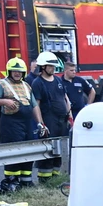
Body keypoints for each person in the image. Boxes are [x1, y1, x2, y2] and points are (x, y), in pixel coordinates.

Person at [0, 57, 44, 188]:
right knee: (13, 151)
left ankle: (26, 180)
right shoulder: (1, 84)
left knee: (29, 151)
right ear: (9, 71)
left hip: (27, 123)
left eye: (20, 71)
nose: (17, 73)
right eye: (14, 71)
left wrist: (40, 123)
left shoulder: (26, 85)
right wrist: (5, 101)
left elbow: (34, 105)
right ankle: (12, 180)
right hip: (10, 124)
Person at [30, 51, 71, 181]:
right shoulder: (38, 83)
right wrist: (41, 124)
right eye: (50, 66)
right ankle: (45, 180)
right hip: (49, 120)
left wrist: (69, 116)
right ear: (43, 66)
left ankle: (56, 179)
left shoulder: (58, 80)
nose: (53, 68)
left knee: (59, 151)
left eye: (54, 66)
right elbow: (36, 105)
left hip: (61, 120)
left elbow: (65, 98)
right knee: (48, 150)